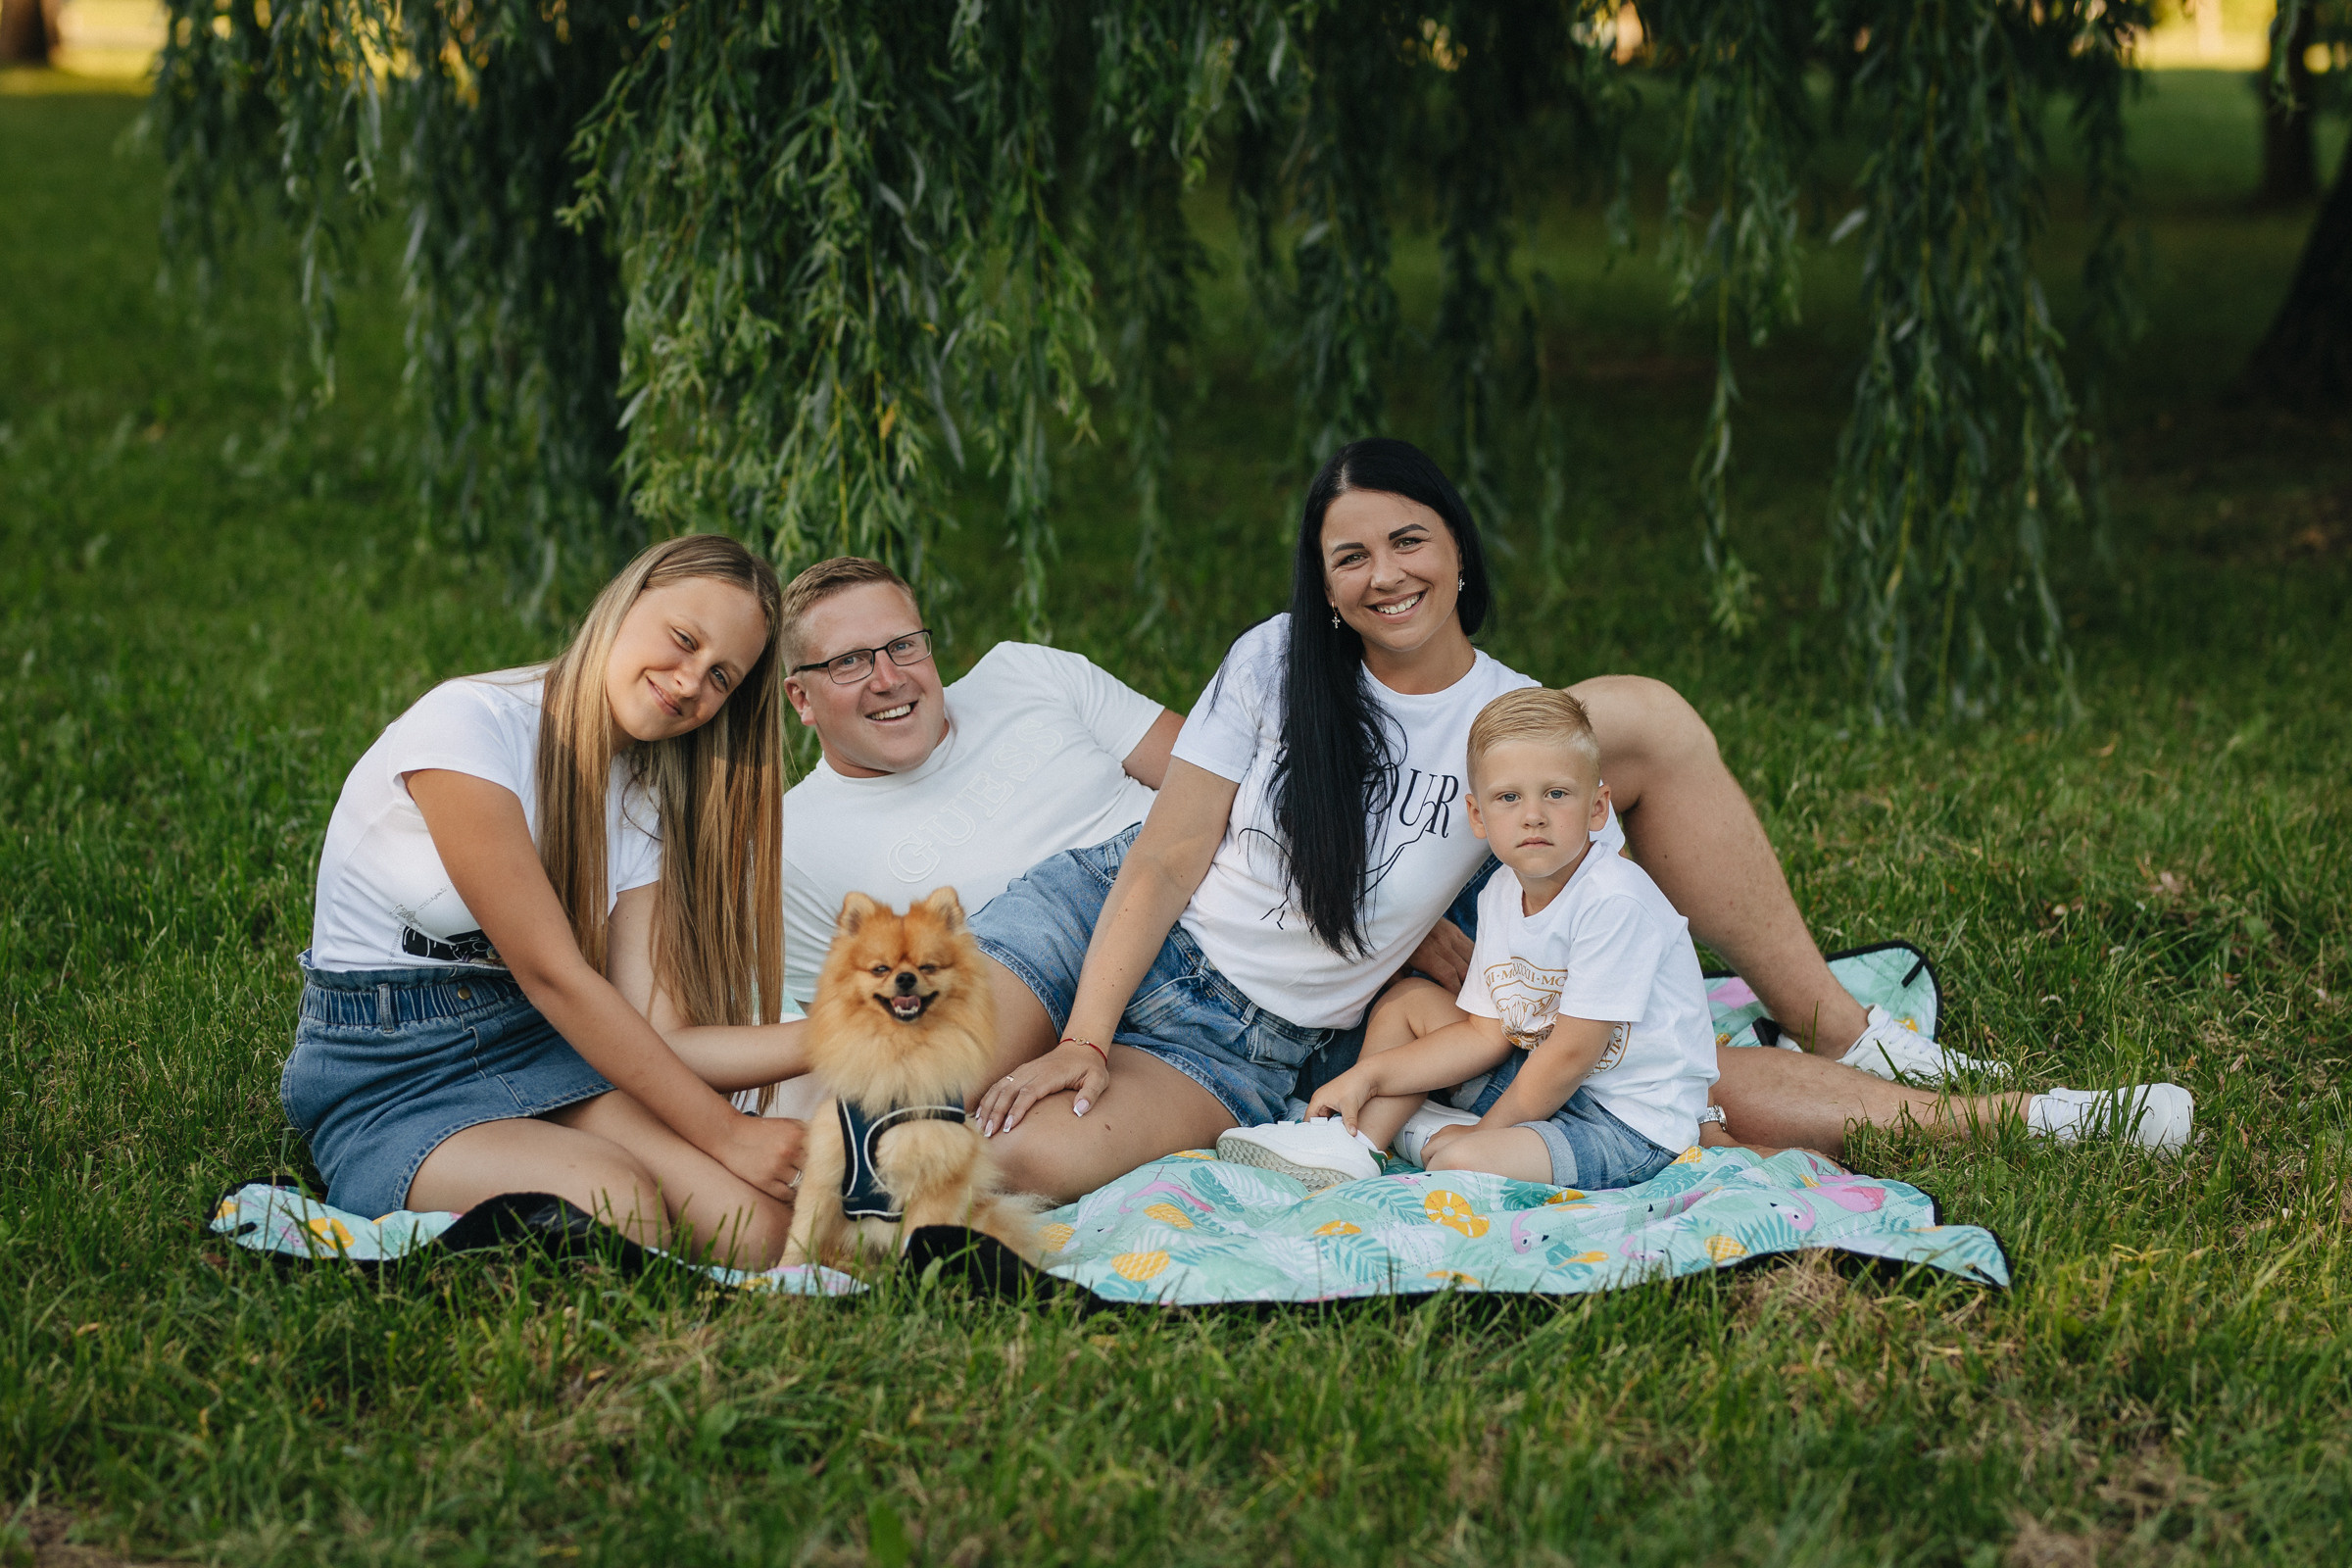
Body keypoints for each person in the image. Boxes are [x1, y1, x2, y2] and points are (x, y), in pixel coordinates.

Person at [966, 440, 2193, 1201]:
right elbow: (1167, 853)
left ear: (1457, 551)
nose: (1383, 574)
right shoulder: (1277, 660)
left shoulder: (1516, 733)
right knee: (922, 1092)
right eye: (1350, 556)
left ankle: (2016, 1111)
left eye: (1409, 539)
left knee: (1020, 1160)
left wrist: (1491, 982)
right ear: (1320, 581)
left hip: (1258, 1043)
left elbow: (1582, 894)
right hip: (1105, 928)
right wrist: (1082, 1034)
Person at [281, 535, 812, 1267]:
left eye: (721, 676)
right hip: (389, 1069)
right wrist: (728, 1135)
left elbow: (663, 1032)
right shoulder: (468, 725)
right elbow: (553, 974)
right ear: (628, 601)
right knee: (626, 1208)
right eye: (684, 640)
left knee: (755, 1235)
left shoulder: (644, 799)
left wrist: (840, 1036)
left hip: (537, 1043)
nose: (691, 682)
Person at [1243, 687, 1721, 1193]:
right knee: (1410, 1003)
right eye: (1509, 797)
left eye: (1556, 794)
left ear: (1598, 807)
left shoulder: (1615, 901)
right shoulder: (1501, 891)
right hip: (1538, 1077)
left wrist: (1491, 1132)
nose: (1532, 815)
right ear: (1477, 815)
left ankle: (1431, 1133)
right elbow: (1485, 1033)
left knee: (1460, 1160)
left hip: (1622, 1123)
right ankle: (1355, 1144)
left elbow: (1570, 1057)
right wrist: (1372, 1076)